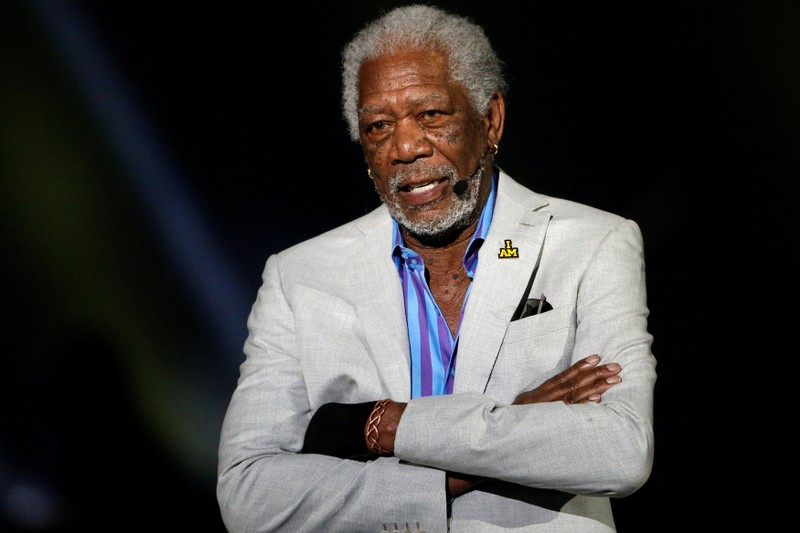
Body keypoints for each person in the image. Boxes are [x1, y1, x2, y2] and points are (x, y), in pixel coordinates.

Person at [217, 4, 656, 532]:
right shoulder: (299, 276)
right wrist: (505, 428)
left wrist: (382, 425)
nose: (405, 148)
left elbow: (620, 450)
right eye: (379, 126)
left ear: (490, 119)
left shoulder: (591, 243)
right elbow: (248, 494)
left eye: (431, 115)